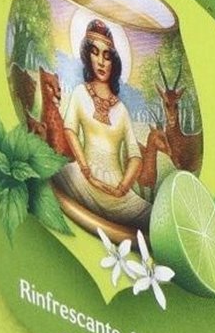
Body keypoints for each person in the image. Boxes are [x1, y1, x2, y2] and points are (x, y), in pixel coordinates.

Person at [53, 19, 150, 225]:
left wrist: (122, 188)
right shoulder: (80, 93)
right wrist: (86, 170)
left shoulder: (121, 110)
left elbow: (135, 156)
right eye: (95, 53)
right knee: (54, 175)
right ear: (87, 56)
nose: (101, 62)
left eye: (107, 56)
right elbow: (69, 130)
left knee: (149, 215)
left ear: (114, 62)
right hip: (82, 178)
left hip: (116, 191)